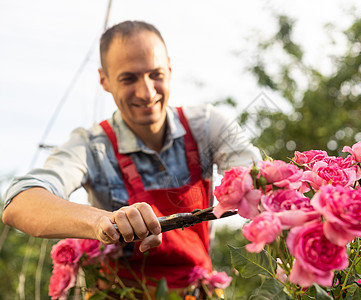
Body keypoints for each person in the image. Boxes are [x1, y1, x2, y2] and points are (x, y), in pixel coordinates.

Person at [2, 20, 261, 292]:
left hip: (196, 292)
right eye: (129, 78)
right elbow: (19, 203)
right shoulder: (91, 146)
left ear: (170, 70)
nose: (146, 92)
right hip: (119, 294)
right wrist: (102, 221)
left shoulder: (207, 128)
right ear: (104, 80)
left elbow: (261, 183)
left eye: (156, 75)